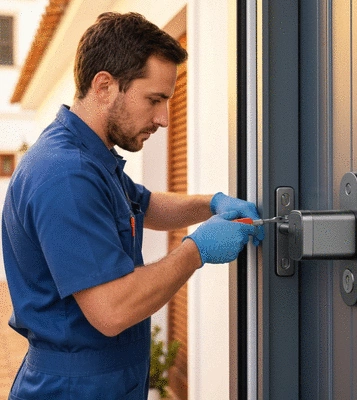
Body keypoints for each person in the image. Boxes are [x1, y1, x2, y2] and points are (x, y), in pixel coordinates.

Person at [2, 12, 264, 400]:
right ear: (104, 86)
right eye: (154, 100)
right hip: (74, 389)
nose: (163, 119)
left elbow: (145, 204)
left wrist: (212, 204)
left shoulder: (91, 157)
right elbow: (112, 310)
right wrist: (197, 250)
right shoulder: (66, 174)